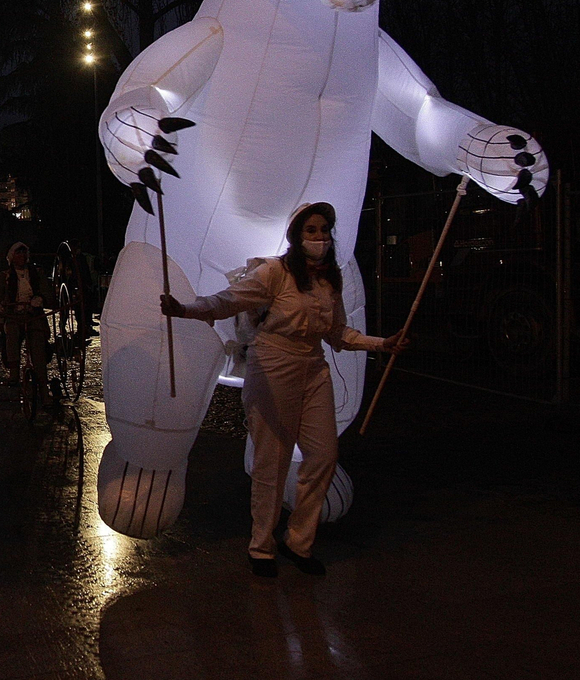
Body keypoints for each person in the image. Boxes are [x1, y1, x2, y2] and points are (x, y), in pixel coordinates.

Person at [161, 203, 406, 578]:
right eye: (311, 230)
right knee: (270, 462)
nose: (320, 237)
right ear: (296, 236)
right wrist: (185, 309)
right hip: (272, 366)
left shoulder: (330, 278)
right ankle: (261, 546)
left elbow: (339, 334)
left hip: (313, 368)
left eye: (325, 229)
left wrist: (381, 344)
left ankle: (299, 542)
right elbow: (229, 300)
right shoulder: (274, 272)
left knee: (323, 456)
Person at [0, 242, 54, 411]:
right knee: (11, 334)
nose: (22, 257)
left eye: (24, 254)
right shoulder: (5, 276)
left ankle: (44, 391)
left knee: (38, 350)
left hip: (34, 316)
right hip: (13, 315)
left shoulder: (36, 274)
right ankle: (14, 371)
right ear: (12, 258)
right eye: (18, 254)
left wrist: (39, 298)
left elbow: (47, 293)